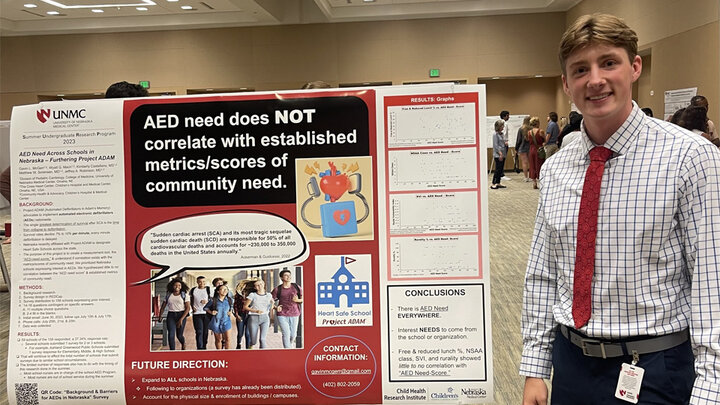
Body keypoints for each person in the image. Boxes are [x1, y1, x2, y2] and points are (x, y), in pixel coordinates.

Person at [521, 13, 720, 405]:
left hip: (656, 368)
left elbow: (711, 284)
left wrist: (711, 387)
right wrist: (535, 367)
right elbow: (543, 273)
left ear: (634, 67)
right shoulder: (559, 166)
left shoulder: (690, 157)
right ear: (566, 84)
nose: (595, 79)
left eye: (608, 63)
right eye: (580, 69)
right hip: (571, 365)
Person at [272, 269, 303, 348]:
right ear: (282, 278)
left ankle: (290, 344)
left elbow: (304, 298)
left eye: (289, 275)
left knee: (293, 335)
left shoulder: (296, 287)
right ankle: (288, 351)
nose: (289, 277)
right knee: (286, 333)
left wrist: (297, 300)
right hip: (282, 314)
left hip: (295, 313)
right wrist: (276, 307)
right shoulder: (277, 289)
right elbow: (270, 301)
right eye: (286, 275)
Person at [157, 278, 190, 350]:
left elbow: (187, 308)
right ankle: (172, 351)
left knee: (179, 335)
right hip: (171, 315)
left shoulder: (185, 295)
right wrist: (160, 315)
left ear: (181, 286)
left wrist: (181, 319)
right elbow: (163, 307)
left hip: (181, 315)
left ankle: (183, 343)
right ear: (172, 286)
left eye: (179, 285)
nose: (177, 287)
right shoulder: (169, 295)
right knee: (171, 335)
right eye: (175, 285)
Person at [244, 279, 274, 349]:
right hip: (254, 318)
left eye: (261, 284)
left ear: (264, 284)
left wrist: (272, 304)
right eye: (257, 285)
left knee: (262, 339)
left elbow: (270, 308)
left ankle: (262, 355)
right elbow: (245, 307)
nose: (260, 286)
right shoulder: (252, 295)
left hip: (265, 318)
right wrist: (255, 311)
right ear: (255, 287)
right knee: (254, 341)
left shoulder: (269, 295)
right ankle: (251, 345)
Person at [205, 283, 233, 350]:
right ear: (218, 291)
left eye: (226, 289)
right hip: (216, 322)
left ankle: (227, 354)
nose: (224, 291)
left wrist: (231, 311)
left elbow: (231, 307)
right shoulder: (213, 300)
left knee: (228, 339)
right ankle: (219, 353)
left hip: (226, 321)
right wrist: (211, 312)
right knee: (218, 339)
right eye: (222, 289)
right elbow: (205, 308)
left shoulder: (230, 300)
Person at [189, 276, 211, 350]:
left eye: (203, 281)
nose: (202, 283)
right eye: (200, 281)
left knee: (205, 332)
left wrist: (207, 302)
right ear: (197, 282)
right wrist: (192, 306)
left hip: (206, 313)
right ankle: (199, 348)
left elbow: (213, 300)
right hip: (197, 313)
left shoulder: (208, 290)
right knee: (199, 331)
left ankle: (204, 346)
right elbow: (191, 300)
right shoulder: (193, 290)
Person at [233, 279, 256, 349]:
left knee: (247, 333)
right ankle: (238, 344)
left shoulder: (253, 295)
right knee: (240, 333)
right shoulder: (239, 294)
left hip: (250, 315)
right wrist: (236, 315)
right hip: (241, 314)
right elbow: (235, 305)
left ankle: (248, 348)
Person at [526, 117, 545, 190]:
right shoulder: (541, 131)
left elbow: (528, 140)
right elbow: (545, 140)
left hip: (531, 150)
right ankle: (540, 181)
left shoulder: (529, 132)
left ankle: (534, 182)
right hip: (539, 150)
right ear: (537, 123)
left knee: (532, 165)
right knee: (539, 165)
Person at [490, 119, 507, 189]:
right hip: (498, 154)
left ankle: (498, 182)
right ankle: (493, 183)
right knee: (497, 169)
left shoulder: (502, 134)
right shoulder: (495, 134)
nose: (503, 127)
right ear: (498, 126)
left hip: (503, 153)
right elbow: (495, 145)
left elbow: (502, 143)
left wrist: (505, 143)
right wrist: (500, 154)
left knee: (501, 169)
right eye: (502, 126)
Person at [515, 116, 532, 182]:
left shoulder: (521, 129)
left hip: (522, 148)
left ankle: (526, 177)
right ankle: (531, 177)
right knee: (531, 163)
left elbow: (518, 140)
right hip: (530, 147)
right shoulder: (532, 129)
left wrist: (516, 148)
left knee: (524, 163)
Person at [499, 111, 512, 181]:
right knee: (502, 159)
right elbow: (503, 133)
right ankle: (501, 175)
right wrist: (505, 142)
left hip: (501, 143)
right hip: (503, 144)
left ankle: (501, 174)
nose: (509, 117)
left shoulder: (499, 122)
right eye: (508, 116)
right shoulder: (505, 123)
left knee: (501, 159)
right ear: (505, 116)